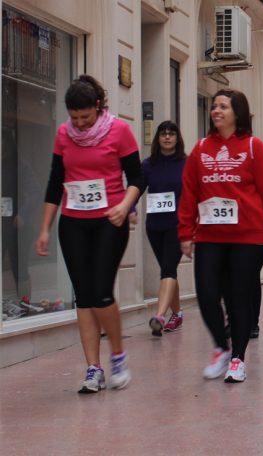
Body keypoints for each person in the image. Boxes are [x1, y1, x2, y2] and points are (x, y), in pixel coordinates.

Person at [35, 75, 142, 393]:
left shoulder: (119, 131)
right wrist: (44, 229)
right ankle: (93, 368)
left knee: (101, 293)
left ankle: (118, 356)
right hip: (73, 222)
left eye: (85, 117)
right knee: (83, 297)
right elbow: (55, 183)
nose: (80, 124)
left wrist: (125, 205)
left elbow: (137, 177)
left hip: (109, 220)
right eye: (74, 118)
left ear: (97, 107)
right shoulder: (63, 135)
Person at [178, 88, 263, 383]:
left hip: (248, 237)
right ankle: (220, 348)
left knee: (239, 297)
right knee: (207, 294)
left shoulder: (253, 147)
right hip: (210, 235)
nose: (216, 111)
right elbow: (189, 193)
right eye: (214, 106)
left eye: (223, 106)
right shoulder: (200, 149)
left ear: (237, 112)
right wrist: (185, 232)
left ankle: (237, 358)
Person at [139, 121, 186, 336]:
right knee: (169, 270)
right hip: (154, 226)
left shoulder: (186, 163)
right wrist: (129, 207)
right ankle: (177, 314)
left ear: (177, 138)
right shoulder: (148, 164)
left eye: (171, 134)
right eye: (163, 134)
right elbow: (137, 187)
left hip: (177, 226)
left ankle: (159, 315)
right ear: (158, 138)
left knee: (167, 268)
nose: (167, 137)